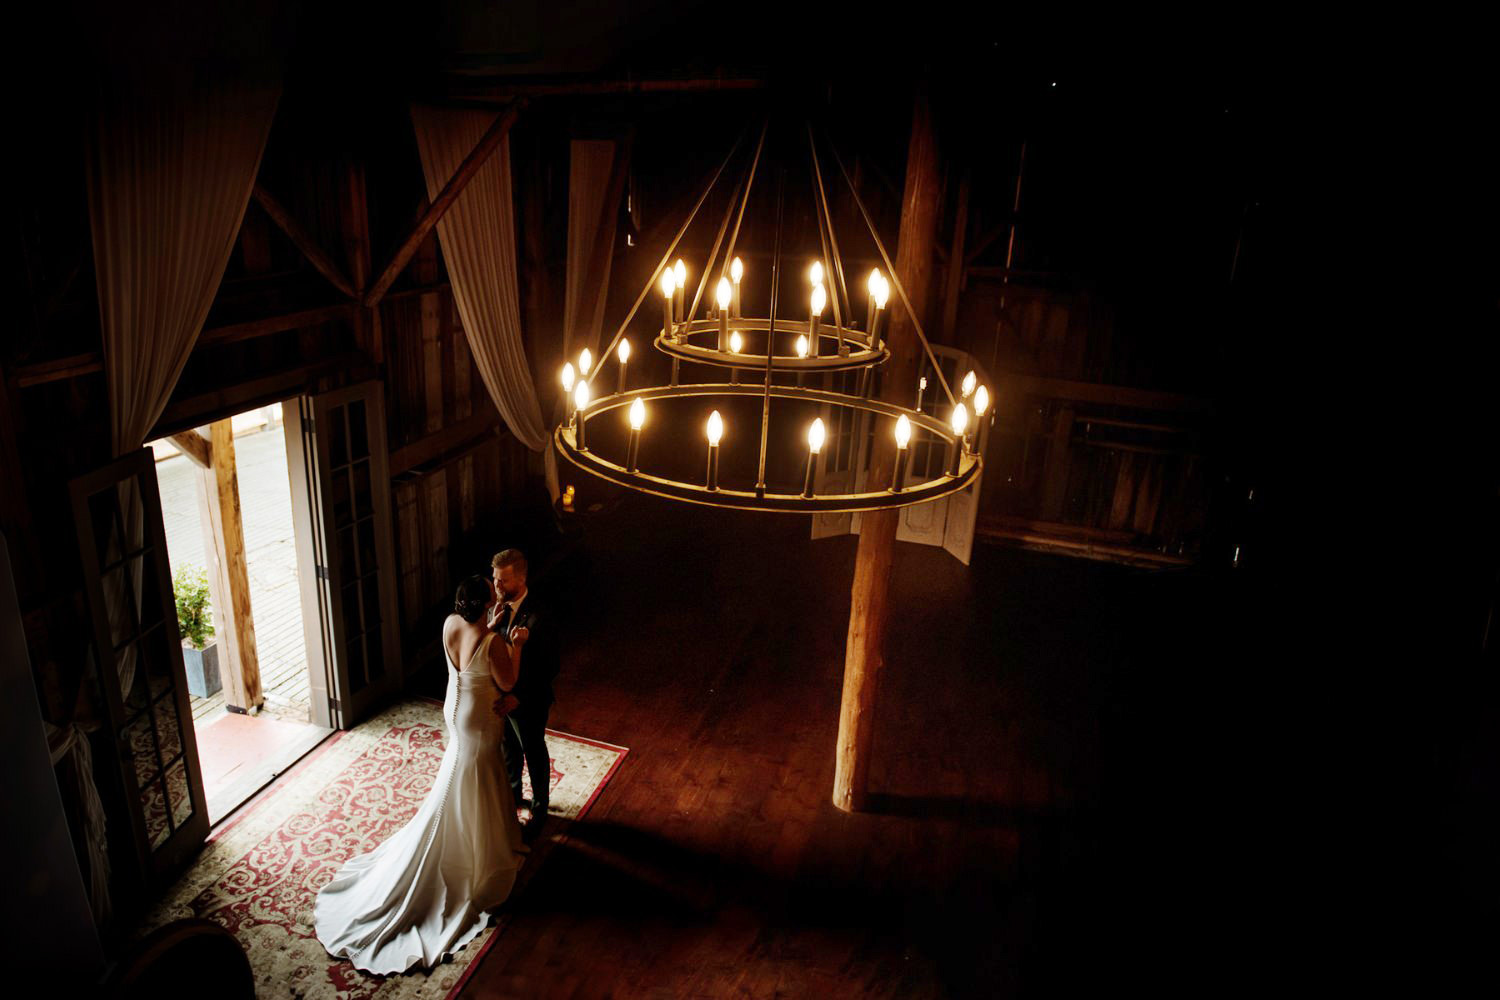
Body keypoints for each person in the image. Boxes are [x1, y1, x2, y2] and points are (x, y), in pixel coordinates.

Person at [314, 575, 527, 975]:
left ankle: (480, 835)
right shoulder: (494, 642)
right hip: (479, 720)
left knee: (464, 772)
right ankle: (481, 853)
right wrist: (516, 643)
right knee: (479, 775)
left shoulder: (451, 624)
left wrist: (492, 628)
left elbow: (469, 651)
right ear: (485, 605)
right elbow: (507, 680)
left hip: (454, 711)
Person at [489, 548, 560, 839]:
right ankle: (513, 797)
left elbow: (549, 666)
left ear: (521, 579)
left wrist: (520, 696)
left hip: (529, 700)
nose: (497, 586)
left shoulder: (540, 616)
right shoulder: (498, 608)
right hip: (503, 700)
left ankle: (540, 808)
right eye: (495, 579)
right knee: (509, 751)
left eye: (503, 581)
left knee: (533, 751)